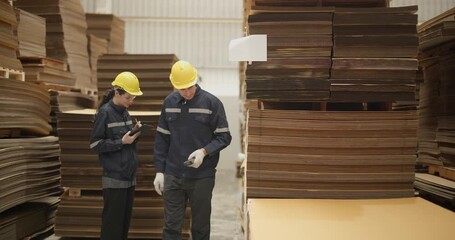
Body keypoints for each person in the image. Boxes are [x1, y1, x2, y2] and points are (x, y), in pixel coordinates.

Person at [153, 60, 232, 240]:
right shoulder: (169, 103)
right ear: (174, 85)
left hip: (201, 176)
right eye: (182, 89)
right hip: (173, 174)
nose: (187, 92)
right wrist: (159, 171)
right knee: (171, 228)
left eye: (190, 87)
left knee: (200, 228)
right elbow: (162, 140)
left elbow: (224, 137)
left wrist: (204, 152)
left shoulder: (212, 103)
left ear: (196, 80)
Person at [89, 71, 143, 240]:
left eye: (133, 98)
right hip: (114, 178)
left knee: (123, 225)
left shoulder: (125, 112)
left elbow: (125, 141)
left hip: (128, 176)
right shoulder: (104, 113)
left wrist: (134, 134)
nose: (131, 102)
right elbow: (95, 144)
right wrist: (121, 142)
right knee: (112, 226)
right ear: (117, 93)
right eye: (128, 97)